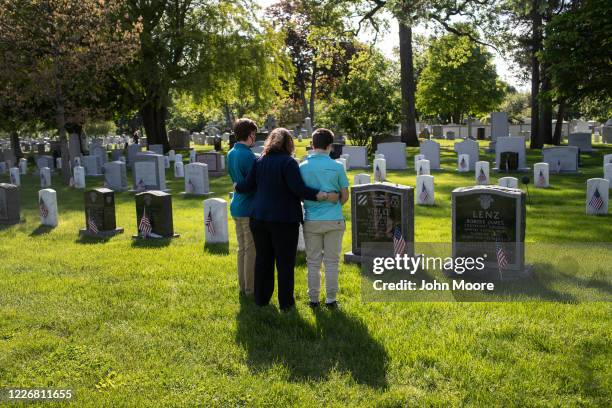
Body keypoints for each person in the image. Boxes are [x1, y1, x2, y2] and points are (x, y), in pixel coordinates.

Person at [235, 128, 339, 312]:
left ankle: (261, 299)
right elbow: (298, 189)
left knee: (263, 260)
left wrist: (237, 185)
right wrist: (321, 195)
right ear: (289, 144)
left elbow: (246, 186)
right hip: (284, 219)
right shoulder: (288, 163)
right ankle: (286, 303)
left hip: (258, 218)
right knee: (284, 263)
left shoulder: (259, 161)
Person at [299, 129, 349, 309]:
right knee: (332, 262)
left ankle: (313, 299)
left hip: (311, 218)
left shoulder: (302, 167)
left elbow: (301, 194)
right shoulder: (337, 167)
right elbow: (344, 195)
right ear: (330, 146)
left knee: (313, 262)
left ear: (313, 145)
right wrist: (333, 204)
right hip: (334, 219)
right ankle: (331, 299)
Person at [227, 118, 258, 297]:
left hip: (236, 205)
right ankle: (250, 289)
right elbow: (253, 182)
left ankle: (242, 286)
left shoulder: (231, 153)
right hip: (248, 206)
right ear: (250, 134)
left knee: (242, 249)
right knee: (250, 250)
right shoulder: (248, 155)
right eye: (254, 134)